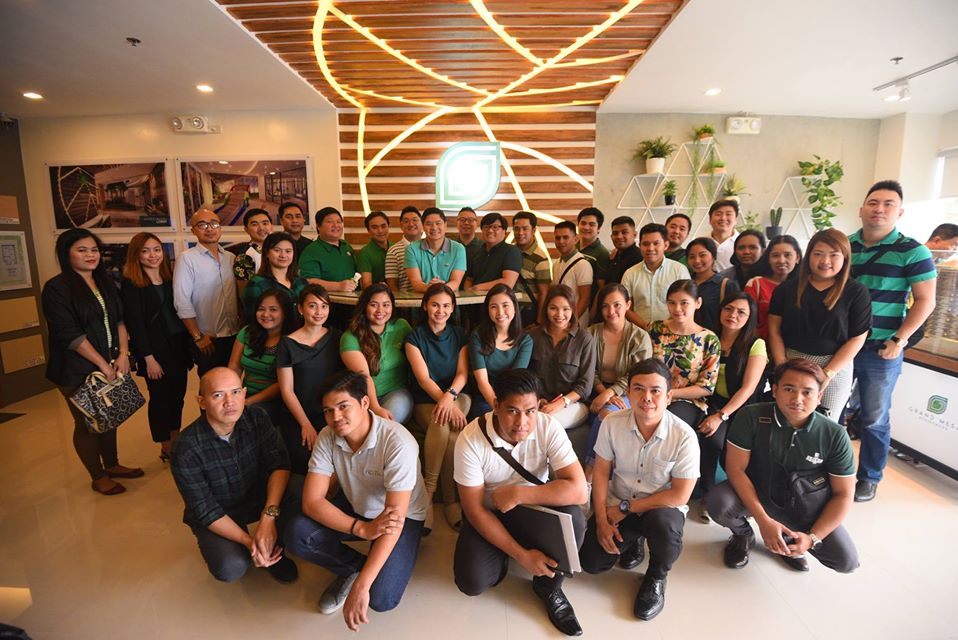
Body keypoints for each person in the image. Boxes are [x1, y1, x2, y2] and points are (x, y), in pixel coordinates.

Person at [284, 371, 427, 630]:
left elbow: (394, 517)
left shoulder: (397, 442)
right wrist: (360, 528)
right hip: (357, 507)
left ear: (364, 403)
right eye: (328, 411)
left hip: (402, 517)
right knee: (296, 532)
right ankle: (352, 568)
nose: (335, 417)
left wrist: (362, 588)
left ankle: (363, 576)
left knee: (382, 599)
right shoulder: (328, 435)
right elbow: (312, 501)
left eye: (343, 406)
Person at [453, 368, 588, 637]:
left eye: (530, 411)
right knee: (472, 582)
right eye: (512, 411)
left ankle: (549, 587)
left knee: (575, 519)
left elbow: (579, 491)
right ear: (495, 406)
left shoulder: (548, 427)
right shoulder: (470, 439)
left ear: (538, 406)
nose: (522, 422)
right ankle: (504, 553)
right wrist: (521, 556)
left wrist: (519, 494)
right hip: (491, 512)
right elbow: (474, 509)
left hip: (532, 508)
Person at [707, 359, 859, 574]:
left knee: (846, 561)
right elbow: (735, 470)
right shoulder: (750, 416)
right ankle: (743, 535)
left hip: (802, 503)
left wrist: (812, 538)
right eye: (789, 389)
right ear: (775, 390)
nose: (797, 399)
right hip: (756, 492)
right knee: (718, 502)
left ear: (819, 397)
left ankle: (789, 544)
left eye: (807, 392)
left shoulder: (835, 435)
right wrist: (763, 521)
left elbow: (843, 494)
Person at [579, 359, 700, 621]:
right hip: (619, 501)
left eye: (655, 390)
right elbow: (600, 473)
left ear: (668, 396)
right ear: (629, 392)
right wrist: (601, 519)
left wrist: (626, 509)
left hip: (659, 509)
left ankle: (657, 576)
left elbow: (679, 495)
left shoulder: (685, 437)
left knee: (664, 528)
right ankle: (634, 540)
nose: (647, 398)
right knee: (591, 562)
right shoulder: (612, 423)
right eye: (638, 389)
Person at [849, 180, 936, 502]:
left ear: (899, 211)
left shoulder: (912, 250)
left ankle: (869, 476)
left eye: (887, 204)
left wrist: (900, 340)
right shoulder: (846, 246)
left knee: (874, 416)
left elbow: (926, 300)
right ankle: (831, 471)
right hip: (845, 346)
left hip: (881, 349)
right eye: (873, 202)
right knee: (832, 411)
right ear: (862, 209)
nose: (879, 209)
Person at [171, 367, 300, 584]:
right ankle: (254, 547)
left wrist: (269, 518)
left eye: (236, 392)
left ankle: (275, 548)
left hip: (256, 496)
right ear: (201, 401)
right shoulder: (185, 448)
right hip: (220, 511)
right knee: (230, 567)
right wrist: (249, 542)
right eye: (218, 395)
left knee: (301, 490)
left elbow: (279, 464)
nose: (229, 402)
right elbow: (205, 509)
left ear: (245, 393)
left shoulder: (257, 417)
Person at [43, 228, 143, 496]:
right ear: (67, 254)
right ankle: (98, 476)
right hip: (75, 369)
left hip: (109, 362)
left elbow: (121, 320)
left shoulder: (105, 282)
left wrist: (123, 354)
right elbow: (70, 335)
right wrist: (102, 364)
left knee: (109, 415)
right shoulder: (57, 288)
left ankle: (112, 464)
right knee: (88, 421)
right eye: (82, 250)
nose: (90, 255)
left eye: (94, 250)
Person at [768, 229, 871, 421]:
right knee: (788, 419)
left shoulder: (856, 292)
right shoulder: (787, 289)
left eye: (834, 255)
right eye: (818, 254)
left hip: (834, 366)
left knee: (824, 424)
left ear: (845, 258)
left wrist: (828, 373)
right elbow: (774, 330)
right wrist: (782, 365)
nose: (825, 261)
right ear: (808, 257)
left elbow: (857, 338)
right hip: (792, 362)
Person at [121, 232, 192, 463]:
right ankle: (166, 447)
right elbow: (136, 325)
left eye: (157, 249)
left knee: (178, 397)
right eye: (146, 251)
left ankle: (176, 439)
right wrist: (148, 358)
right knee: (161, 399)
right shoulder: (132, 284)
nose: (153, 255)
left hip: (177, 346)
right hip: (154, 350)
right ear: (136, 255)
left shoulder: (170, 279)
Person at [696, 292, 768, 522]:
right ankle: (707, 493)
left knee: (728, 447)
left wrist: (721, 415)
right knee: (710, 439)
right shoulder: (709, 337)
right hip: (711, 402)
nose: (733, 315)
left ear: (750, 317)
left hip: (743, 408)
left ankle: (743, 498)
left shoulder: (756, 344)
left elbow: (747, 388)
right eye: (729, 308)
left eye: (741, 312)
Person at [405, 284, 471, 530]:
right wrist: (443, 400)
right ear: (425, 306)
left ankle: (430, 496)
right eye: (435, 305)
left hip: (459, 395)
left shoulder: (460, 335)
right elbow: (423, 379)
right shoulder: (414, 337)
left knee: (445, 423)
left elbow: (463, 373)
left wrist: (449, 397)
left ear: (453, 308)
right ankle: (443, 499)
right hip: (425, 399)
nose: (440, 310)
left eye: (446, 305)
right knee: (448, 432)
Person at [584, 284, 653, 474]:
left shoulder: (640, 336)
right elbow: (589, 370)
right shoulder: (591, 333)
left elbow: (637, 375)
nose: (611, 311)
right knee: (603, 415)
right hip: (594, 391)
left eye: (617, 305)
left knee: (607, 415)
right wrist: (602, 392)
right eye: (605, 306)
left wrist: (610, 393)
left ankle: (589, 473)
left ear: (628, 305)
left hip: (630, 392)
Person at [276, 285, 344, 474]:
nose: (319, 312)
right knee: (304, 458)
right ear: (300, 308)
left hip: (329, 412)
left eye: (324, 306)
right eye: (312, 306)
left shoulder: (337, 337)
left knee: (335, 457)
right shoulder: (287, 344)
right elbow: (287, 390)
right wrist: (305, 424)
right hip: (298, 414)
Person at [173, 207, 240, 375]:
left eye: (214, 224)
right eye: (202, 225)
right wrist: (197, 336)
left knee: (232, 382)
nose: (210, 229)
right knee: (210, 387)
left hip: (233, 336)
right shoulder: (187, 258)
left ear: (220, 228)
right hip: (208, 339)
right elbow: (181, 301)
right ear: (194, 230)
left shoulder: (231, 258)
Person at [648, 280, 721, 430]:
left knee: (666, 424)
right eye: (672, 303)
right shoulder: (655, 329)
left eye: (684, 303)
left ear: (698, 303)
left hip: (688, 402)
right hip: (650, 395)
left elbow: (706, 387)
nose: (677, 308)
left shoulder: (709, 339)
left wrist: (669, 394)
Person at [340, 283, 414, 424]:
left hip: (396, 392)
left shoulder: (401, 326)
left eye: (386, 305)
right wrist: (375, 407)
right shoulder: (351, 337)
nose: (380, 310)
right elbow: (364, 376)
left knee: (386, 423)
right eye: (374, 305)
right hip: (361, 397)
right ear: (364, 307)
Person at [529, 285, 596, 430]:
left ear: (573, 309)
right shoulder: (533, 337)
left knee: (545, 423)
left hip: (573, 404)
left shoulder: (584, 339)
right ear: (546, 309)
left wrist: (561, 403)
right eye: (553, 308)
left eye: (566, 309)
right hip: (538, 401)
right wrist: (538, 399)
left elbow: (585, 386)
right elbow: (527, 374)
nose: (560, 314)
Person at [227, 289, 297, 422]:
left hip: (275, 400)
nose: (266, 314)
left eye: (273, 309)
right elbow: (234, 366)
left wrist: (248, 402)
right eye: (261, 309)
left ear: (285, 313)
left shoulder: (291, 340)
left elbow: (280, 384)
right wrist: (232, 395)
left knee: (249, 418)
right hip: (245, 394)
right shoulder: (247, 332)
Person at [469, 284, 533, 418]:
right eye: (493, 307)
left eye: (505, 305)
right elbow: (482, 382)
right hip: (485, 398)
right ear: (487, 310)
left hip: (513, 398)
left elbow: (515, 381)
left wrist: (508, 409)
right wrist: (498, 409)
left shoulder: (525, 341)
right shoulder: (478, 335)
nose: (500, 312)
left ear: (515, 308)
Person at [621, 223, 691, 330]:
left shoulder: (679, 271)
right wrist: (646, 327)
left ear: (666, 245)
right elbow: (626, 307)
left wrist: (663, 326)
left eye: (656, 243)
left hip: (673, 331)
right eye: (645, 244)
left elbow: (686, 303)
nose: (650, 248)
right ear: (639, 246)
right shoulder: (630, 273)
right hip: (639, 332)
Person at [241, 231, 308, 324]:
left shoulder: (302, 283)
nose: (283, 255)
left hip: (300, 335)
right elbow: (252, 322)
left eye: (288, 251)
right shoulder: (257, 284)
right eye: (277, 250)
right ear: (267, 253)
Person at [743, 235, 802, 339]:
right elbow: (746, 320)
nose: (781, 260)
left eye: (787, 255)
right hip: (761, 347)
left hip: (795, 348)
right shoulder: (756, 284)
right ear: (768, 259)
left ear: (797, 258)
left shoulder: (804, 286)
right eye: (775, 255)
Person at [405, 208, 467, 292]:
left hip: (448, 302)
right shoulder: (411, 249)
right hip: (422, 301)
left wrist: (439, 290)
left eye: (438, 223)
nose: (434, 228)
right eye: (429, 224)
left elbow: (455, 282)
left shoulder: (458, 249)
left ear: (445, 225)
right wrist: (432, 289)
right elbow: (416, 282)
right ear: (423, 226)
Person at [299, 206, 358, 292]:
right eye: (330, 222)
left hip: (353, 300)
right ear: (318, 226)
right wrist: (338, 286)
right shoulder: (311, 250)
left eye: (339, 221)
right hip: (328, 302)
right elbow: (308, 281)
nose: (336, 225)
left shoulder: (346, 246)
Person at [686, 237, 739, 331]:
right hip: (687, 340)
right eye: (692, 257)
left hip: (713, 340)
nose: (697, 260)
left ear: (713, 256)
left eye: (702, 255)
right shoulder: (685, 283)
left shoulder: (726, 285)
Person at [512, 210, 552, 326]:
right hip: (510, 313)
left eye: (525, 228)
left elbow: (544, 293)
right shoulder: (509, 252)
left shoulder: (540, 258)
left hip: (529, 316)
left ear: (534, 230)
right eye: (516, 228)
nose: (520, 233)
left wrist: (539, 321)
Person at [464, 212, 522, 291]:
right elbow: (469, 280)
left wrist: (477, 288)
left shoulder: (511, 251)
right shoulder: (477, 252)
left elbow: (508, 282)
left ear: (504, 231)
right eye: (486, 227)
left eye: (495, 227)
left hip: (499, 301)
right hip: (475, 301)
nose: (490, 230)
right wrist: (468, 295)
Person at [551, 221, 593, 325]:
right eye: (557, 238)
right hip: (560, 322)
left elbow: (584, 299)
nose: (561, 241)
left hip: (576, 324)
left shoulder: (583, 264)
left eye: (565, 237)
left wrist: (571, 321)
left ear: (575, 239)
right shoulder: (556, 264)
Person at [230, 208, 273, 292]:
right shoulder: (244, 257)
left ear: (271, 226)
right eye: (254, 224)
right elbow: (245, 294)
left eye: (265, 223)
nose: (261, 228)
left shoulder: (278, 250)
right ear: (246, 230)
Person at [384, 205, 423, 293]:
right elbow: (392, 284)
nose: (411, 224)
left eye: (414, 220)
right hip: (407, 302)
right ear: (401, 226)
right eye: (406, 221)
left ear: (422, 223)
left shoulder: (430, 247)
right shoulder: (393, 251)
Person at [356, 211, 391, 288]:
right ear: (368, 230)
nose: (380, 231)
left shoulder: (395, 248)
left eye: (383, 226)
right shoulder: (365, 253)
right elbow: (366, 285)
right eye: (375, 227)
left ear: (388, 226)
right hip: (376, 296)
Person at [577, 206, 610, 285]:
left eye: (591, 224)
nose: (586, 227)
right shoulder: (572, 246)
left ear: (598, 228)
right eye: (583, 223)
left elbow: (601, 287)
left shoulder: (602, 253)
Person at [604, 215, 642, 285]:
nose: (619, 236)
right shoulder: (614, 256)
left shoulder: (640, 258)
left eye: (624, 232)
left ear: (635, 234)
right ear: (611, 236)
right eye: (615, 233)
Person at [708, 200, 740, 271]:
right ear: (710, 219)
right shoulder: (701, 242)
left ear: (735, 219)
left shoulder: (742, 243)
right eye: (718, 214)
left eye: (728, 214)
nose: (723, 218)